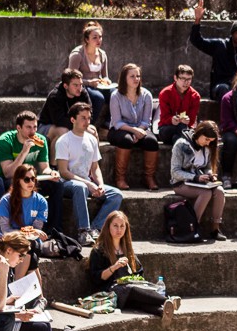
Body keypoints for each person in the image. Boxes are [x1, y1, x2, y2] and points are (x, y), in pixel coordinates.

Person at [88, 211, 182, 325]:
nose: (119, 229)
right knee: (130, 289)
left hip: (127, 293)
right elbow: (96, 277)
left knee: (138, 300)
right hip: (110, 291)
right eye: (115, 226)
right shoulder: (99, 250)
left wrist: (138, 279)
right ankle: (168, 300)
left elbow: (139, 273)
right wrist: (114, 267)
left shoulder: (127, 249)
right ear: (108, 227)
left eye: (122, 226)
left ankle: (162, 312)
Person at [56, 102, 123, 245]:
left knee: (116, 194)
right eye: (83, 118)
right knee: (80, 187)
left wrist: (101, 184)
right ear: (73, 120)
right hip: (68, 183)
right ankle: (83, 231)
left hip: (87, 182)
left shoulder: (91, 139)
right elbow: (63, 171)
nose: (87, 122)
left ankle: (96, 228)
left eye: (88, 118)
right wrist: (88, 183)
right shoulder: (63, 141)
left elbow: (95, 167)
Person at [0, 111, 65, 235]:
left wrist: (51, 173)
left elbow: (44, 167)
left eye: (35, 127)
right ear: (18, 128)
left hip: (29, 179)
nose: (33, 131)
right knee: (17, 181)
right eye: (28, 127)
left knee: (57, 185)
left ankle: (54, 230)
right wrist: (24, 151)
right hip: (9, 181)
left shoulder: (41, 140)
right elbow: (8, 173)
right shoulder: (5, 141)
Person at [188, 0, 237, 101]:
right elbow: (196, 41)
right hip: (220, 86)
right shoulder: (220, 45)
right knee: (225, 90)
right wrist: (197, 20)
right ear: (232, 33)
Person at [171, 121, 227, 241]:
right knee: (205, 193)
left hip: (199, 182)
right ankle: (192, 228)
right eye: (206, 139)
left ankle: (215, 228)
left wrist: (210, 175)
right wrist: (195, 177)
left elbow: (207, 167)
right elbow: (175, 172)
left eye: (211, 141)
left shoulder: (207, 147)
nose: (208, 143)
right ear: (199, 133)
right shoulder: (181, 145)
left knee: (220, 191)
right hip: (181, 183)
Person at [108, 63, 161, 191]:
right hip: (119, 129)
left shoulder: (146, 94)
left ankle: (148, 177)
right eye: (132, 76)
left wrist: (139, 130)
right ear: (124, 78)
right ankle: (120, 178)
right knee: (126, 140)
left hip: (141, 128)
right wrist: (133, 131)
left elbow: (146, 120)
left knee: (152, 142)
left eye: (138, 76)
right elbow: (117, 122)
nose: (136, 79)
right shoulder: (116, 95)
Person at [0, 164, 48, 277]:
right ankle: (24, 286)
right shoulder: (6, 200)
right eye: (27, 179)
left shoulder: (41, 201)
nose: (31, 182)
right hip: (9, 239)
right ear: (18, 181)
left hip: (32, 242)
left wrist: (32, 233)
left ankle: (19, 285)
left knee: (31, 246)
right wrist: (24, 234)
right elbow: (5, 229)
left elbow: (37, 227)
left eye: (33, 179)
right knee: (30, 252)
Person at [66, 21, 113, 128]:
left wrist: (107, 80)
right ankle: (89, 124)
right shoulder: (77, 54)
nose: (98, 40)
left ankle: (108, 122)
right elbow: (70, 77)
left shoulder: (102, 54)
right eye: (95, 37)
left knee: (115, 93)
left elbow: (105, 75)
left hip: (98, 84)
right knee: (98, 98)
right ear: (87, 39)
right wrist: (89, 82)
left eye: (100, 37)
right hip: (82, 84)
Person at [38, 68, 92, 152]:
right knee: (63, 132)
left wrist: (83, 124)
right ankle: (54, 165)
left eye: (81, 84)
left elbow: (89, 112)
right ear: (65, 86)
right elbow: (59, 121)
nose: (79, 88)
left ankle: (92, 163)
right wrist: (79, 125)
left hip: (73, 124)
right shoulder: (55, 96)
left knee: (93, 130)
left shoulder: (83, 93)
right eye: (75, 85)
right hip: (46, 126)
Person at [157, 64, 201, 147]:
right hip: (167, 128)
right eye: (183, 79)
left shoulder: (195, 96)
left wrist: (188, 120)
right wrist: (172, 120)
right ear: (175, 78)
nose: (186, 82)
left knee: (177, 137)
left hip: (186, 129)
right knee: (181, 128)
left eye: (189, 79)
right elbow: (164, 117)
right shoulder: (165, 93)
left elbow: (192, 120)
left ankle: (181, 145)